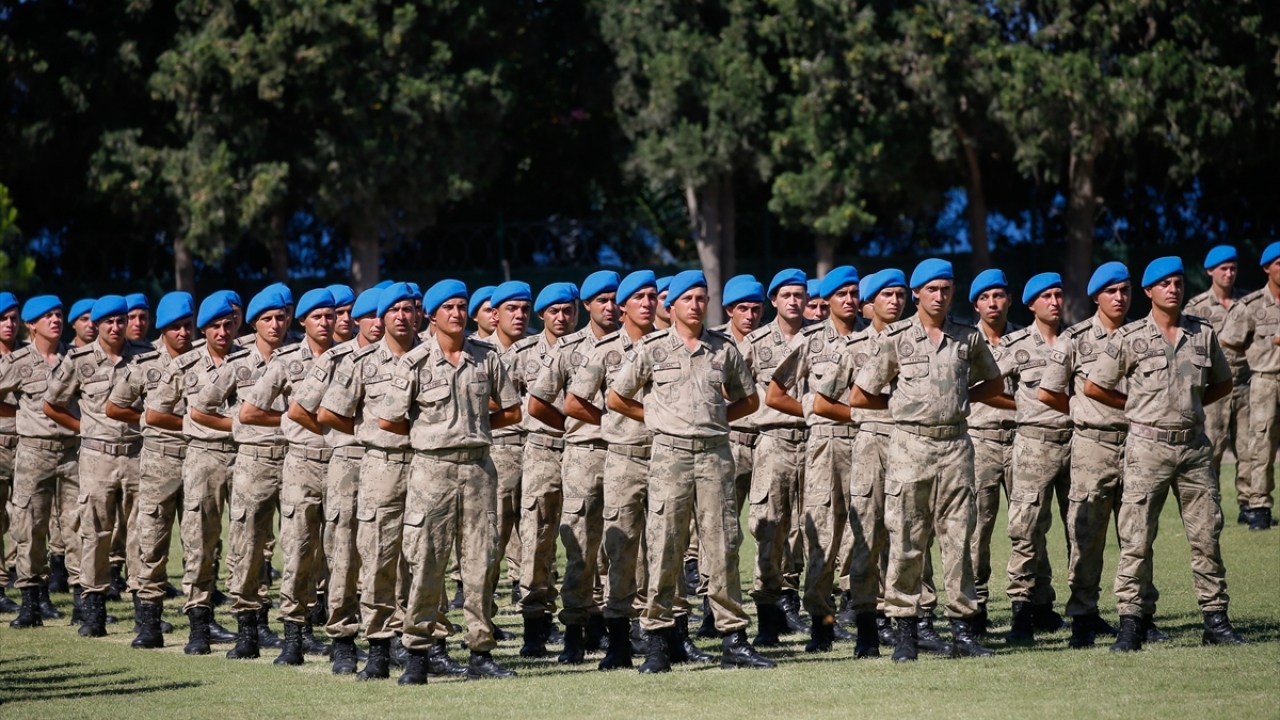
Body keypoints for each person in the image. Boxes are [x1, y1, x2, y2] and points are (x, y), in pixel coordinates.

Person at [608, 269, 775, 672]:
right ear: (672, 306)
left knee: (723, 546)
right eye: (688, 299)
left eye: (701, 298)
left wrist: (717, 420)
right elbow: (616, 397)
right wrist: (656, 419)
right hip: (670, 456)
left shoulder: (723, 349)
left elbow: (750, 399)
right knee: (664, 544)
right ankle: (657, 640)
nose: (696, 305)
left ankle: (733, 638)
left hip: (715, 455)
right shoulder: (652, 349)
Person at [1085, 256, 1250, 650]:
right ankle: (1131, 623)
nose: (1173, 289)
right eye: (1164, 284)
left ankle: (1216, 620)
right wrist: (1136, 407)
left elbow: (1222, 383)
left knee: (1207, 535)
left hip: (1193, 448)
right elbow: (1094, 386)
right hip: (1147, 448)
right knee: (1136, 538)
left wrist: (1188, 407)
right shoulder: (1130, 337)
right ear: (1148, 292)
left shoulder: (1202, 333)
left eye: (1178, 282)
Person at [849, 258, 1002, 662]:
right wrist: (903, 407)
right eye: (932, 289)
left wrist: (961, 400)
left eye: (946, 289)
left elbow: (994, 383)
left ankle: (963, 631)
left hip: (956, 447)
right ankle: (906, 631)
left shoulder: (967, 338)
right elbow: (861, 394)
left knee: (960, 540)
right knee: (906, 541)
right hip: (910, 448)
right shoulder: (895, 338)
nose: (940, 296)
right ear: (916, 294)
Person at [376, 279, 524, 684]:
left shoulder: (486, 358)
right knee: (427, 562)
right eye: (449, 308)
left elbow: (512, 411)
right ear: (431, 315)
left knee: (481, 563)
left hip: (479, 470)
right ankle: (418, 653)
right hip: (432, 472)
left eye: (461, 306)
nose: (457, 313)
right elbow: (388, 419)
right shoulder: (416, 362)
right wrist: (430, 435)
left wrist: (475, 429)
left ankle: (481, 652)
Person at [1039, 262, 1154, 648]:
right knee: (1086, 535)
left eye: (1125, 290)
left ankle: (1138, 616)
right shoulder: (1075, 339)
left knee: (1137, 534)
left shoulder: (1145, 335)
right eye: (1111, 291)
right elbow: (1048, 391)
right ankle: (1083, 617)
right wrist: (1081, 411)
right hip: (1094, 446)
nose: (1119, 298)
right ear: (1095, 297)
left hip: (1140, 443)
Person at [319, 283, 424, 680]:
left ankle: (418, 644)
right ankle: (374, 646)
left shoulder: (432, 356)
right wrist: (368, 432)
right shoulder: (360, 362)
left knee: (422, 558)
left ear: (419, 315)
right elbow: (328, 412)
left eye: (409, 309)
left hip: (427, 465)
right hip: (381, 466)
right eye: (394, 310)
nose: (402, 316)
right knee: (375, 556)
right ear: (382, 317)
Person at [813, 269, 913, 658]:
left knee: (910, 536)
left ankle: (911, 623)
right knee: (864, 537)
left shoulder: (916, 340)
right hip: (868, 446)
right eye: (887, 295)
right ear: (873, 302)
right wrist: (868, 414)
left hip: (912, 445)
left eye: (900, 295)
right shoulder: (853, 347)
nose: (895, 302)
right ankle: (864, 626)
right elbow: (822, 402)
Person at [565, 271, 662, 669]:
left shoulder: (668, 344)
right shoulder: (605, 351)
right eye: (639, 297)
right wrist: (613, 421)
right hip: (622, 455)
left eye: (653, 297)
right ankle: (610, 638)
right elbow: (573, 402)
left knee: (664, 549)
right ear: (624, 307)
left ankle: (665, 635)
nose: (648, 304)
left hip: (665, 456)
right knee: (617, 551)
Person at [766, 265, 864, 652]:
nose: (849, 300)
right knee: (824, 534)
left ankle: (867, 617)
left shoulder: (877, 338)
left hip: (872, 443)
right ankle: (822, 622)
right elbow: (775, 394)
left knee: (869, 533)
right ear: (827, 299)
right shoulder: (811, 341)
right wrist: (813, 411)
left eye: (854, 293)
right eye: (842, 294)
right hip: (828, 446)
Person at [527, 271, 622, 662]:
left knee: (623, 546)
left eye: (615, 299)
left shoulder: (637, 344)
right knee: (581, 547)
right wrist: (575, 424)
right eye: (602, 300)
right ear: (588, 306)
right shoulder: (569, 348)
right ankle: (574, 632)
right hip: (584, 454)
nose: (610, 307)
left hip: (629, 454)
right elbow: (538, 402)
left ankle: (621, 627)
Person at [239, 288, 337, 665]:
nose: (326, 322)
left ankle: (325, 631)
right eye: (318, 316)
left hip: (342, 463)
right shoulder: (287, 360)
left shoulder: (349, 357)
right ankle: (291, 635)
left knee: (337, 553)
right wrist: (296, 420)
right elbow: (249, 411)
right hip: (301, 463)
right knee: (297, 548)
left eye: (330, 316)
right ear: (304, 321)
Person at [192, 287, 291, 659]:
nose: (275, 325)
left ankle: (293, 629)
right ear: (253, 324)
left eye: (280, 317)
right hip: (253, 460)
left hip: (294, 459)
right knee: (247, 545)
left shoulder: (299, 359)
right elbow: (200, 409)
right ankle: (247, 627)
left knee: (297, 545)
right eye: (267, 319)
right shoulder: (239, 364)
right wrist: (238, 426)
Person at [288, 286, 382, 673]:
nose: (380, 322)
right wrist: (343, 435)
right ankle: (341, 639)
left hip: (394, 465)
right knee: (342, 552)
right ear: (357, 319)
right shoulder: (339, 358)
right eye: (371, 315)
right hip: (350, 464)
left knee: (390, 554)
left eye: (386, 314)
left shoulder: (411, 358)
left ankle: (390, 637)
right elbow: (301, 409)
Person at [148, 292, 240, 654]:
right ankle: (199, 624)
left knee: (248, 542)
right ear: (204, 330)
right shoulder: (186, 365)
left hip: (246, 456)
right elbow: (154, 413)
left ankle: (252, 623)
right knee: (199, 541)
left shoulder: (250, 361)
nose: (223, 331)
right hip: (203, 457)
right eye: (215, 326)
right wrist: (194, 423)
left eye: (228, 324)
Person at [105, 291, 196, 648]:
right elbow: (114, 406)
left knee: (199, 542)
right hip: (159, 461)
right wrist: (148, 418)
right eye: (175, 327)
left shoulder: (206, 360)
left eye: (188, 325)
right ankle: (149, 623)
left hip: (199, 459)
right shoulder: (145, 363)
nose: (183, 333)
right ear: (163, 329)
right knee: (152, 542)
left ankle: (201, 624)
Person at [994, 273, 1072, 643]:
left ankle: (1083, 612)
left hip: (1078, 442)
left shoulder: (1078, 340)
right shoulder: (1015, 345)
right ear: (1030, 305)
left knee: (1082, 531)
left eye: (1058, 295)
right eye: (1046, 297)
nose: (1054, 302)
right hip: (1033, 445)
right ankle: (1022, 614)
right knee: (1025, 530)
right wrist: (1023, 407)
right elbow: (982, 386)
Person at [740, 269, 811, 645]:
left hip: (815, 441)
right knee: (769, 527)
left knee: (810, 529)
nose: (794, 301)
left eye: (799, 295)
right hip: (773, 441)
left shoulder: (820, 338)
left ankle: (798, 607)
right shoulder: (755, 342)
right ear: (774, 301)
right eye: (786, 295)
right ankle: (768, 615)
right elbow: (729, 388)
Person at [0, 296, 78, 627]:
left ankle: (84, 602)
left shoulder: (76, 357)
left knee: (78, 526)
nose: (56, 320)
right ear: (31, 325)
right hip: (33, 452)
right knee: (30, 527)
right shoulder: (18, 362)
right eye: (47, 316)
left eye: (58, 314)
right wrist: (21, 412)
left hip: (73, 452)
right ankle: (31, 602)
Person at [513, 282, 579, 657]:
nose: (561, 317)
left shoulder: (589, 349)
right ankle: (535, 625)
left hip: (584, 451)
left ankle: (590, 620)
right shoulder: (522, 354)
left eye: (568, 310)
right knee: (536, 540)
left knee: (588, 537)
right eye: (554, 311)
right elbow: (501, 400)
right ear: (542, 315)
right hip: (541, 450)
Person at [966, 269, 1021, 636]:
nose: (992, 303)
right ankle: (977, 605)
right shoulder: (966, 342)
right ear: (976, 305)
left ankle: (1028, 603)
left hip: (1022, 439)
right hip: (981, 439)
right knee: (978, 527)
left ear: (1009, 300)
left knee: (1027, 525)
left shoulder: (1025, 339)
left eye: (998, 295)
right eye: (985, 298)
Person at [1184, 248, 1252, 516]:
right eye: (1223, 268)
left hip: (1246, 384)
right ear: (1210, 271)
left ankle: (1250, 505)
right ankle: (1211, 503)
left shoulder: (1248, 302)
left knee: (1249, 448)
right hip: (1213, 389)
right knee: (1211, 447)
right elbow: (1182, 347)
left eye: (1233, 268)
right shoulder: (1196, 307)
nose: (1229, 273)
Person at [1220, 241, 1280, 531]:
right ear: (1267, 268)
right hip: (1265, 381)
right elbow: (1229, 341)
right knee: (1261, 444)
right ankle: (1258, 506)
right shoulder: (1251, 305)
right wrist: (1261, 350)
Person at [487, 281, 532, 607]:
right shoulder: (480, 352)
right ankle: (482, 601)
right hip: (498, 448)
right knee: (494, 533)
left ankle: (532, 602)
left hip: (535, 447)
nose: (519, 315)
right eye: (511, 309)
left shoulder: (540, 349)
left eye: (524, 309)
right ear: (495, 314)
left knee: (536, 532)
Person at [0, 292, 22, 613]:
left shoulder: (28, 354)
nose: (9, 324)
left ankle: (27, 581)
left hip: (28, 446)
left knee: (27, 516)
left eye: (13, 318)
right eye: (2, 319)